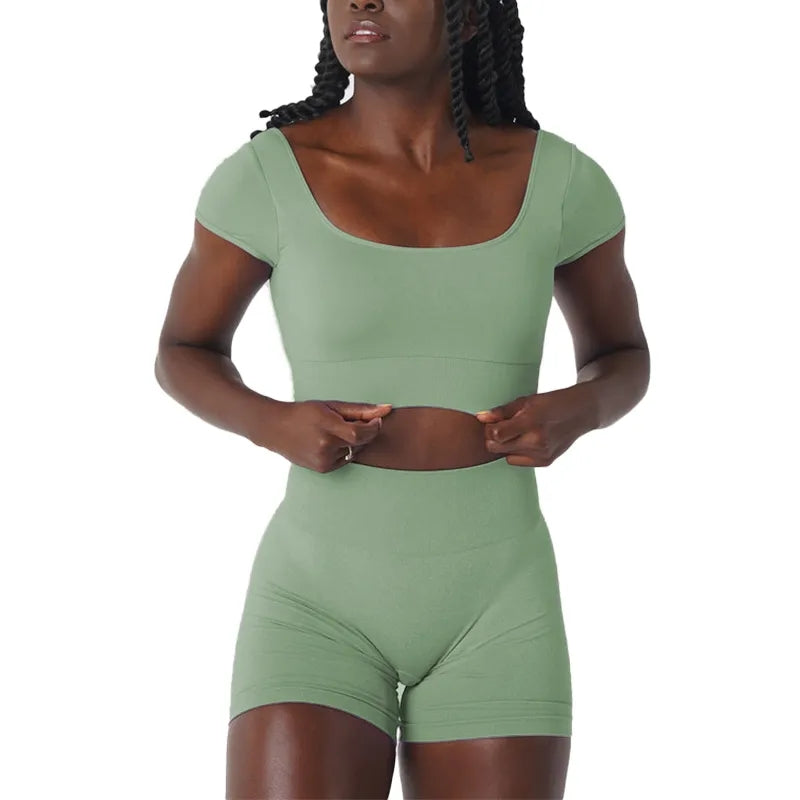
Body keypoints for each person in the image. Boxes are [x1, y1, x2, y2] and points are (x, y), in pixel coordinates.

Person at [155, 0, 650, 797]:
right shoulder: (266, 176)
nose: (361, 1)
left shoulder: (561, 181)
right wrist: (271, 423)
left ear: (471, 15)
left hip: (498, 599)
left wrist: (579, 409)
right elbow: (183, 350)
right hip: (317, 596)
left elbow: (621, 356)